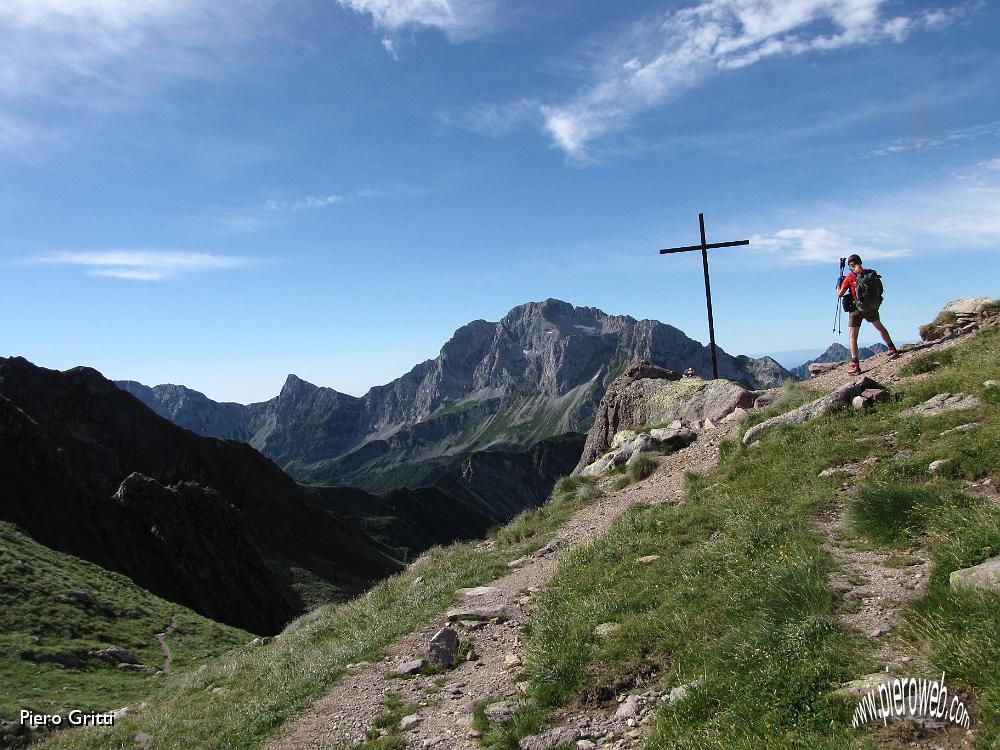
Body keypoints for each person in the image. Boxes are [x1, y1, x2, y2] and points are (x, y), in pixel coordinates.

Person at [836, 254, 898, 374]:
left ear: (851, 265)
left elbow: (840, 294)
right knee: (879, 327)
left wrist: (838, 284)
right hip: (871, 307)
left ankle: (855, 365)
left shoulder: (850, 276)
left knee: (853, 336)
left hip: (856, 309)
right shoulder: (870, 274)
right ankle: (891, 348)